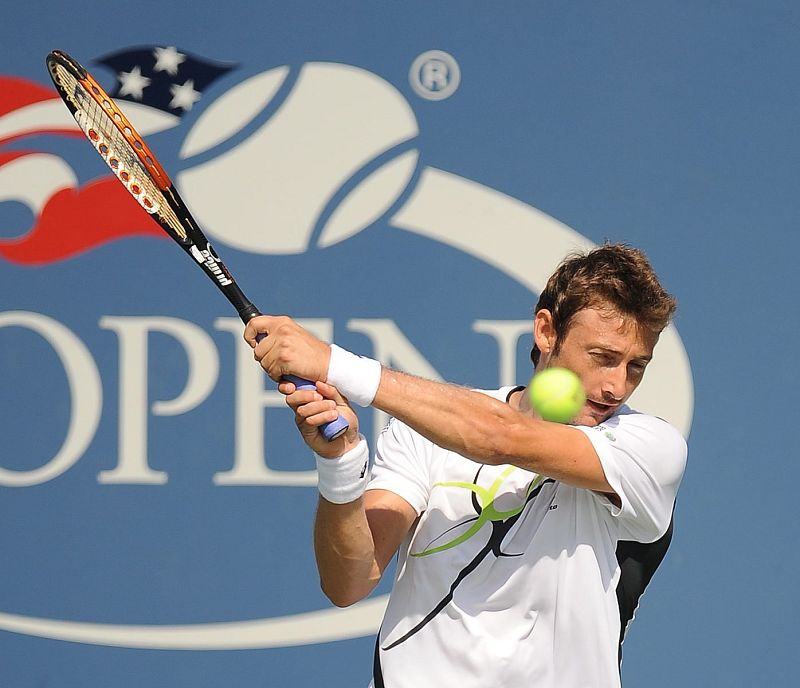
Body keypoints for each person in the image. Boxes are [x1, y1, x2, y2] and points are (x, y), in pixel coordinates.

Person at [244, 243, 688, 688]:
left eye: (636, 366)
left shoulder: (650, 449)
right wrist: (340, 464)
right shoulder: (425, 434)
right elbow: (349, 582)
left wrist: (332, 363)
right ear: (546, 331)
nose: (616, 386)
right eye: (603, 357)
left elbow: (501, 437)